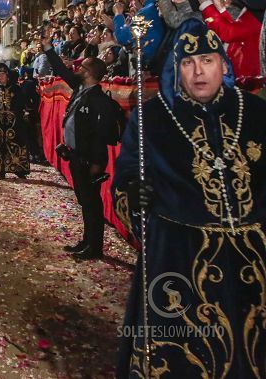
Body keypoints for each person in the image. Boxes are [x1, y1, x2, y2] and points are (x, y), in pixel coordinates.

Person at [112, 20, 266, 378]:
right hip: (181, 261)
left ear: (223, 64)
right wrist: (134, 196)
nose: (199, 72)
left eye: (208, 60)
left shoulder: (256, 113)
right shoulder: (150, 119)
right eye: (188, 63)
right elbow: (125, 180)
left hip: (255, 266)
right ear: (176, 68)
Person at [41, 33, 120, 260]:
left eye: (82, 66)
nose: (77, 67)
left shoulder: (99, 100)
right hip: (76, 155)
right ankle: (87, 241)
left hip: (89, 159)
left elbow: (102, 135)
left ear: (90, 73)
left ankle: (95, 247)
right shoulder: (81, 89)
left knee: (92, 204)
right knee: (84, 202)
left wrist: (96, 163)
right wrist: (48, 49)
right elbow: (63, 71)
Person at [0, 63, 28, 179]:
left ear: (7, 75)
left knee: (15, 142)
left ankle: (18, 168)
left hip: (13, 123)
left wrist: (15, 113)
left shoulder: (15, 88)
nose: (0, 77)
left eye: (2, 74)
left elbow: (21, 103)